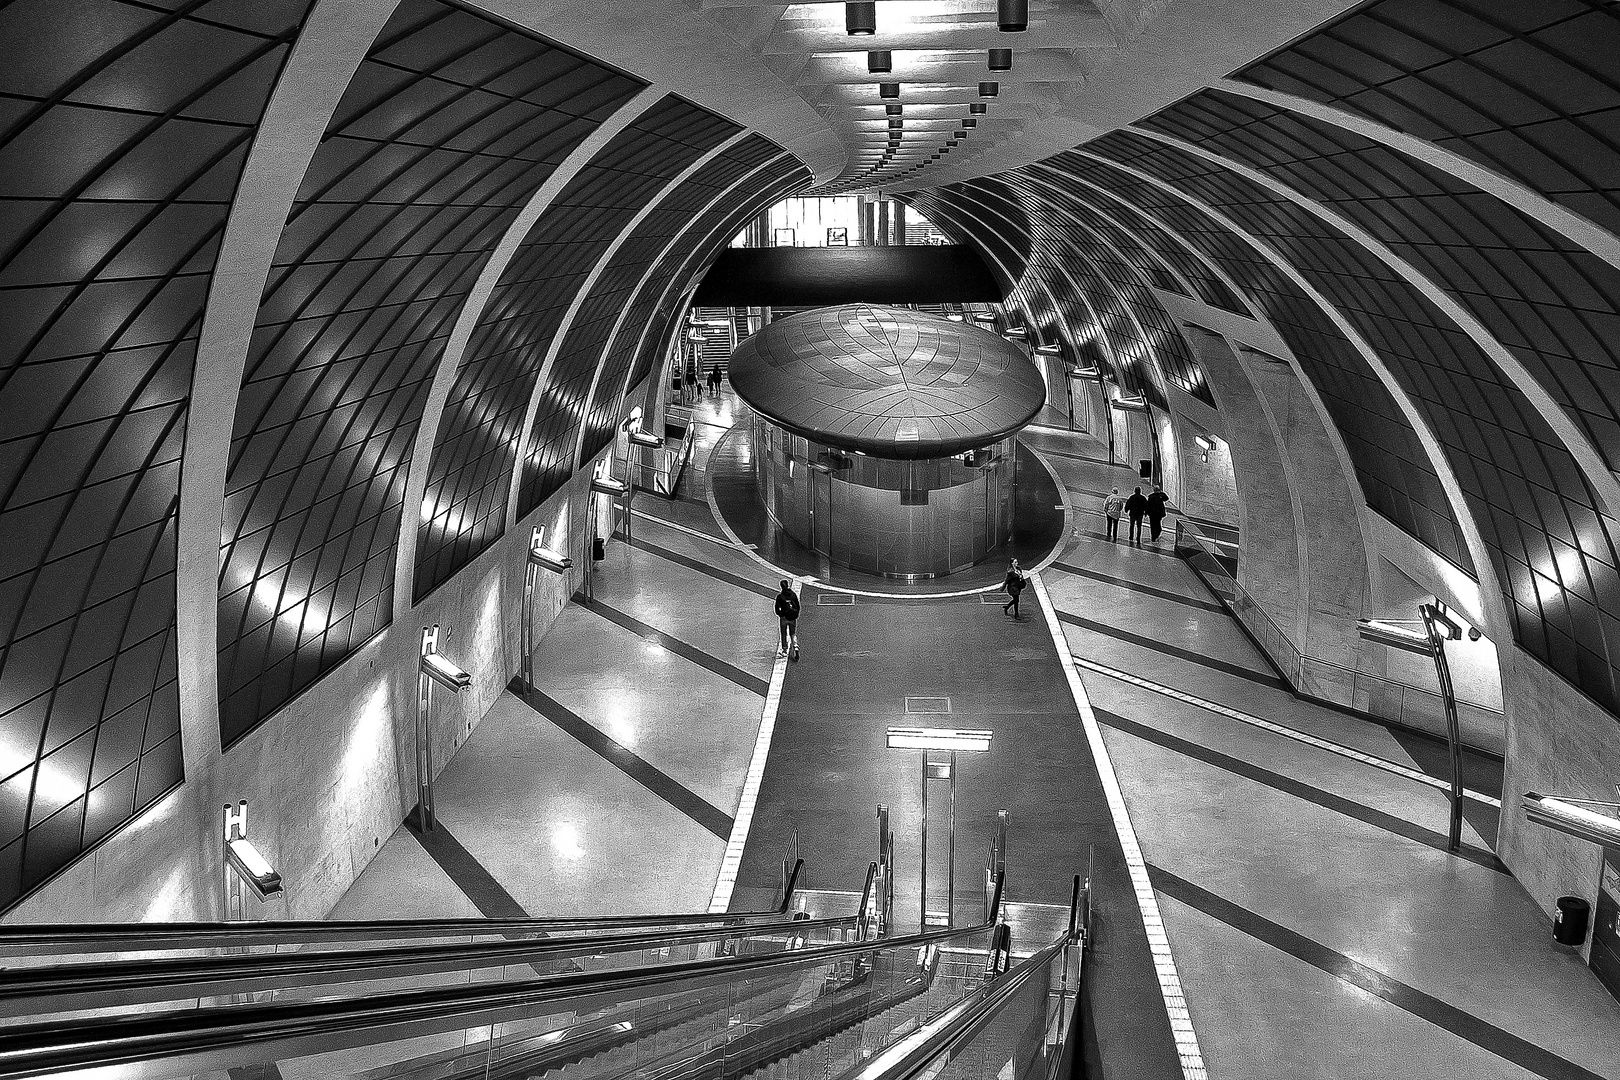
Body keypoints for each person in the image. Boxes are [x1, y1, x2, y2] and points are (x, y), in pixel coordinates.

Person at [774, 579, 801, 658]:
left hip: (784, 618)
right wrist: (796, 614)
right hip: (792, 617)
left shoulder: (780, 596)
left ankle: (785, 650)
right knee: (793, 633)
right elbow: (797, 605)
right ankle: (795, 645)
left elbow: (777, 608)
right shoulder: (793, 595)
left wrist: (780, 614)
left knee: (784, 633)